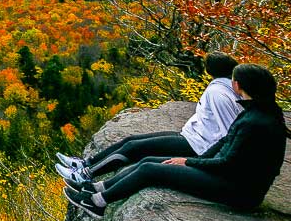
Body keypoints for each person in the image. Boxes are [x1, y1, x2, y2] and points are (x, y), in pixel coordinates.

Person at [64, 63, 287, 218]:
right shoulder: (262, 112)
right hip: (233, 181)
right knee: (149, 159)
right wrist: (186, 159)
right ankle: (95, 188)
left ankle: (97, 203)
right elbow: (224, 144)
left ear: (237, 85)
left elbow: (229, 163)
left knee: (150, 170)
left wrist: (189, 163)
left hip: (237, 191)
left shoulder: (255, 122)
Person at [55, 52, 241, 183]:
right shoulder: (225, 87)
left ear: (210, 70)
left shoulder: (218, 93)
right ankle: (84, 164)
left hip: (198, 145)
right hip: (192, 137)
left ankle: (85, 175)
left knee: (133, 148)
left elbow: (229, 132)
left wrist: (207, 161)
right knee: (131, 140)